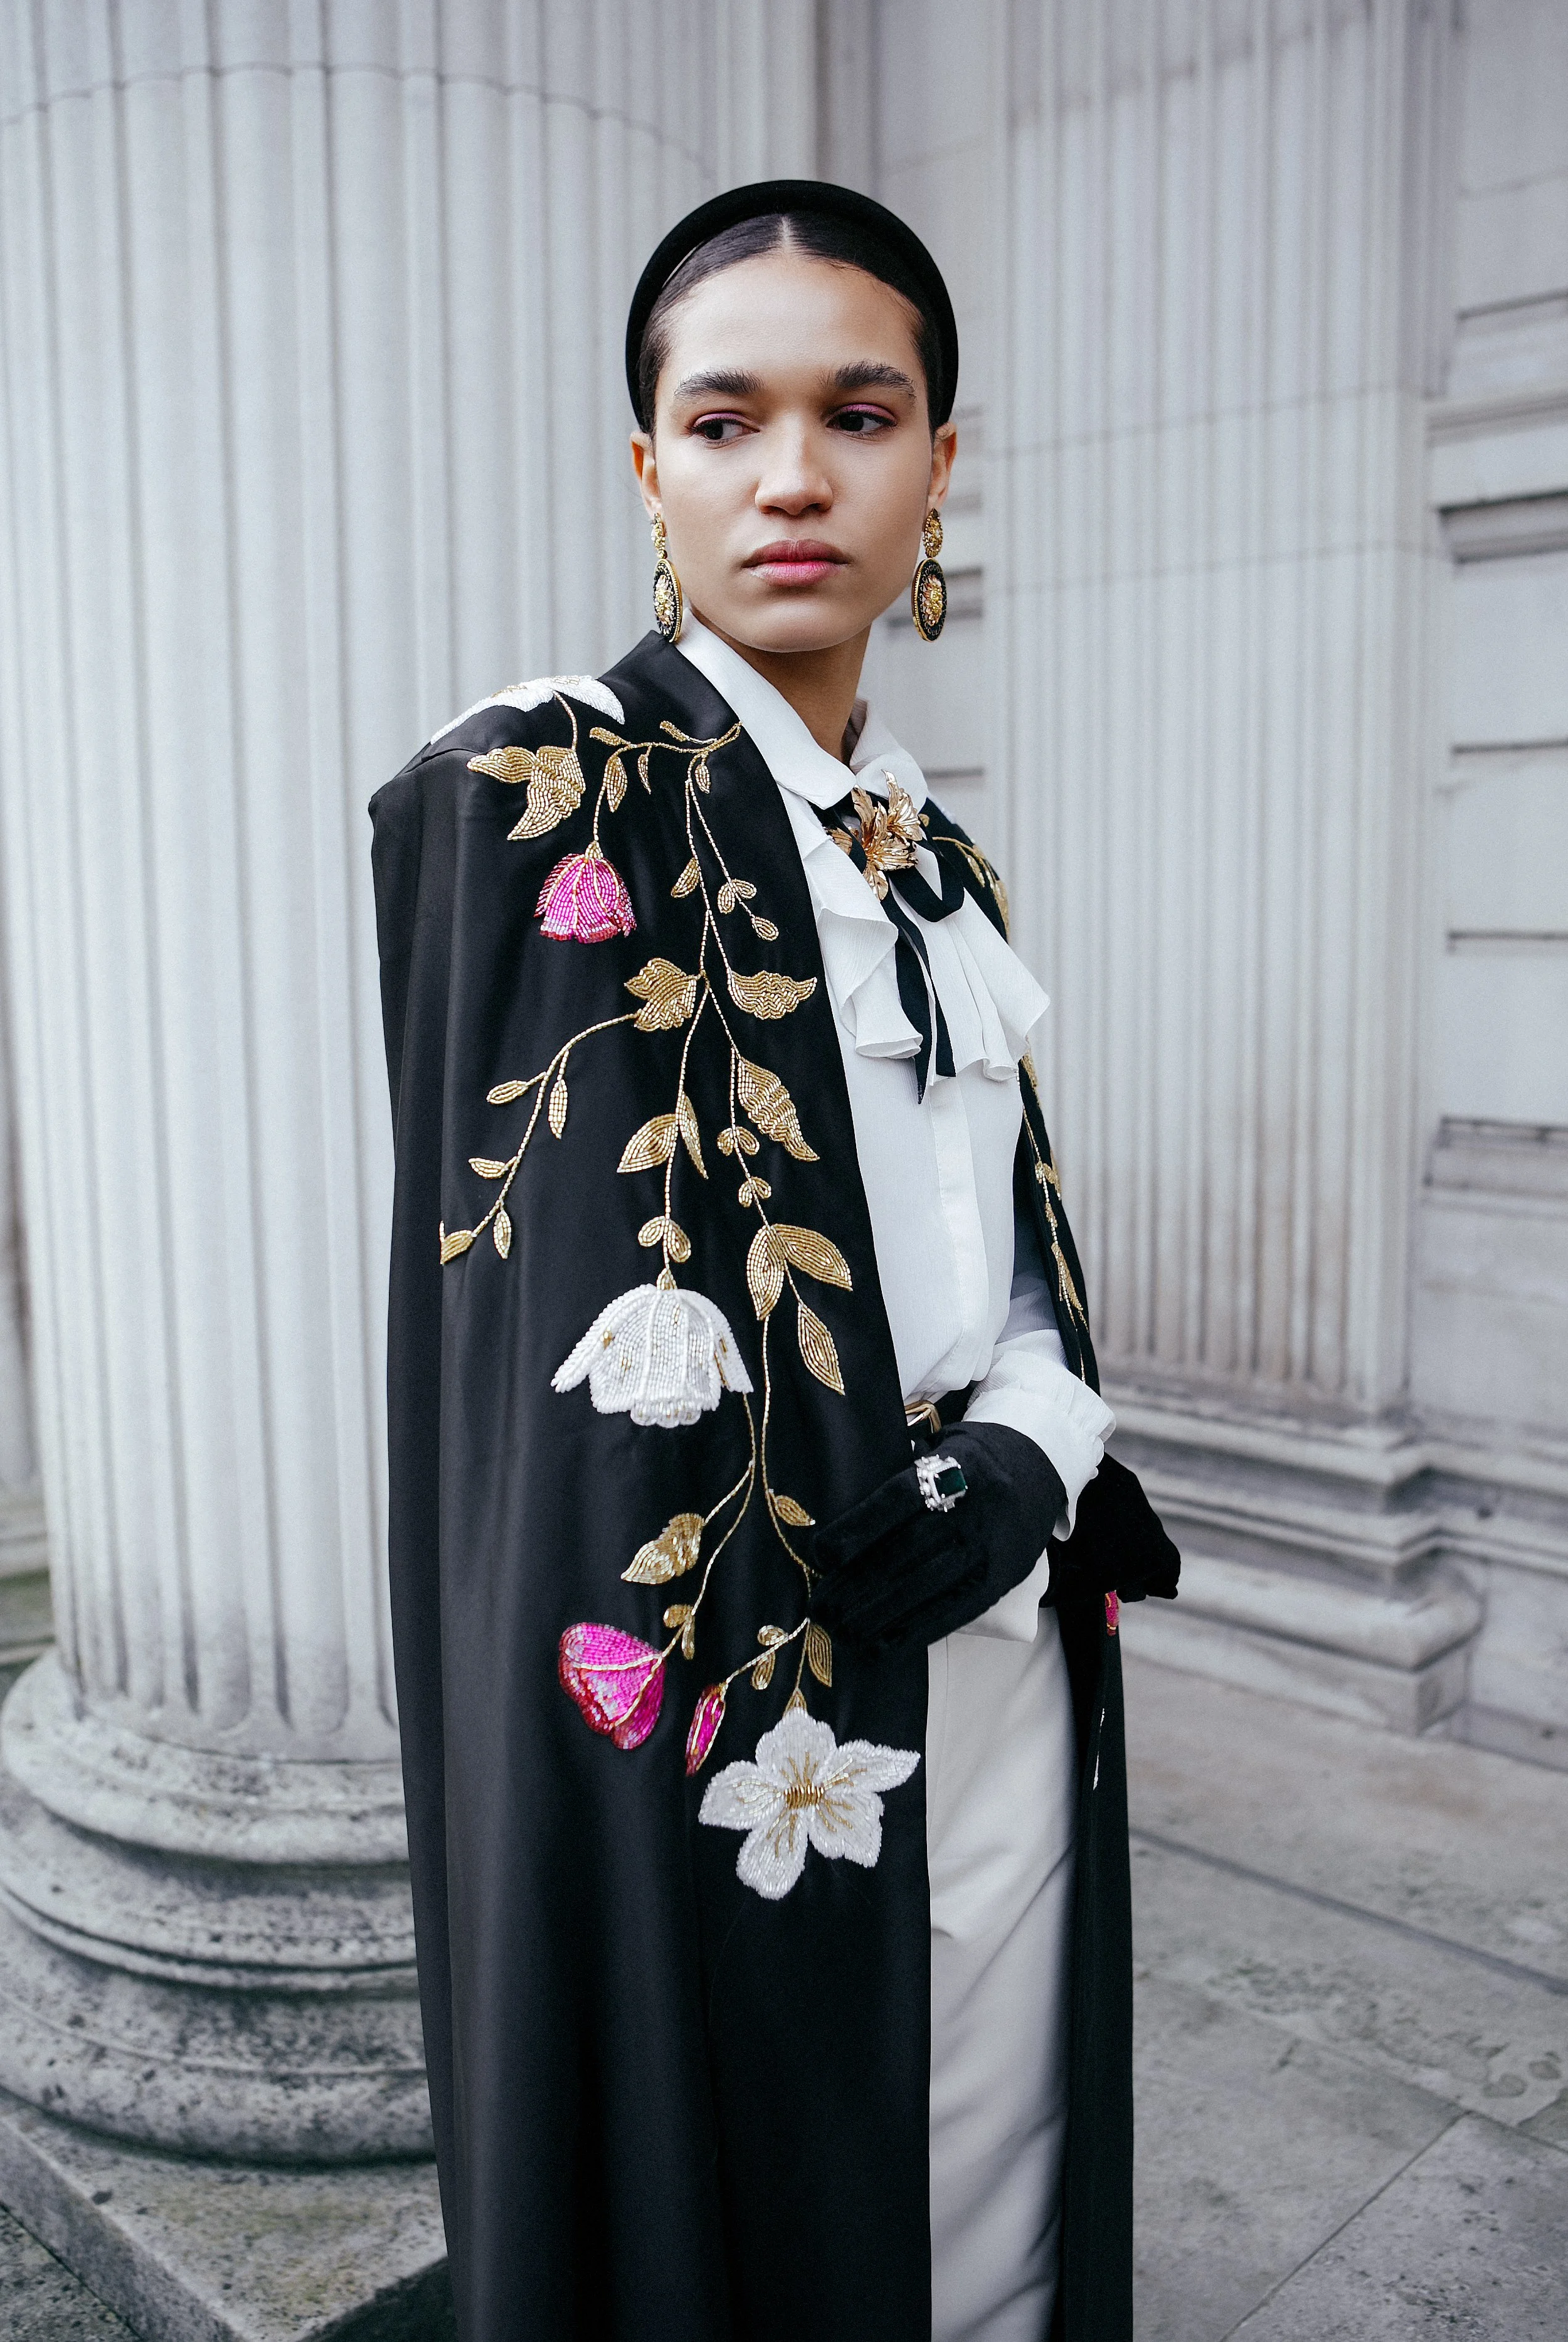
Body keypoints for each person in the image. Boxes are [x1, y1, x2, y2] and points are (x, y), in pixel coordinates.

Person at [371, 179, 1179, 2342]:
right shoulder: (547, 788)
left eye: (863, 409)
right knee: (756, 2196)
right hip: (740, 1682)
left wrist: (1023, 1450)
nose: (795, 475)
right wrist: (860, 1510)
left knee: (987, 2165)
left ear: (941, 459)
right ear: (650, 467)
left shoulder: (937, 854)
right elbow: (558, 1350)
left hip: (993, 1630)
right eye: (724, 420)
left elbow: (1016, 1247)